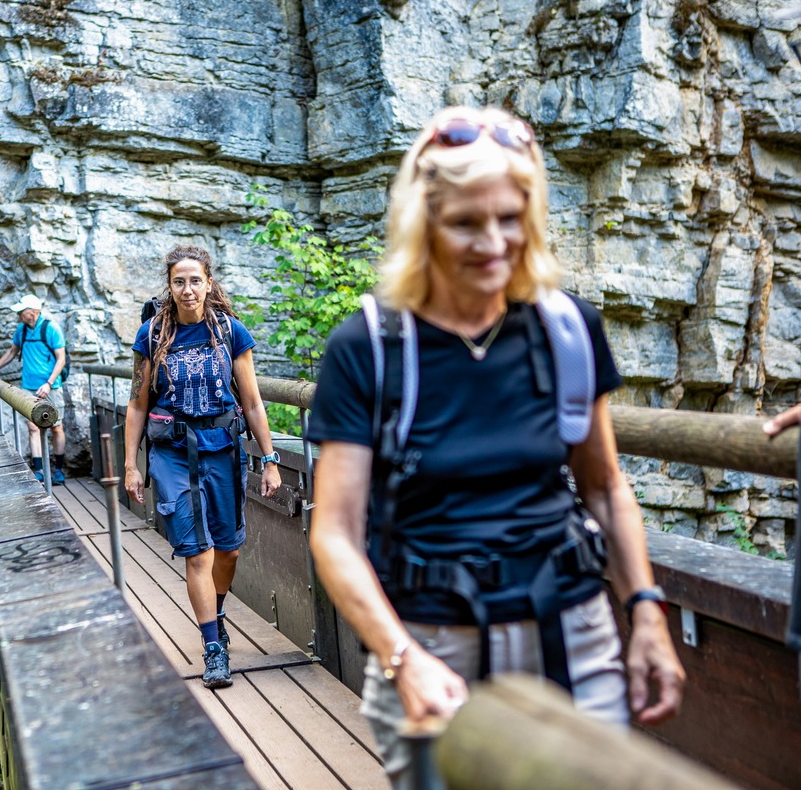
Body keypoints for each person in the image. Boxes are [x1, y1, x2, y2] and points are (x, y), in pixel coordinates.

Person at [305, 107, 685, 787]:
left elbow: (602, 487)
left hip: (573, 630)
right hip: (429, 642)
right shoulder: (370, 349)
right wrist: (401, 660)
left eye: (510, 218)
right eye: (465, 224)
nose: (493, 242)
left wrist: (647, 611)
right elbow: (334, 532)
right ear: (424, 225)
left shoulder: (565, 331)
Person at [124, 244, 282, 689]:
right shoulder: (152, 336)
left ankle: (216, 608)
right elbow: (136, 406)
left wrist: (269, 460)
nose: (188, 288)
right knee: (198, 551)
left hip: (223, 447)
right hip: (173, 452)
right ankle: (213, 647)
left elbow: (251, 400)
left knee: (228, 550)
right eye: (179, 281)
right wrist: (131, 465)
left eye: (195, 280)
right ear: (169, 287)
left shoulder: (230, 331)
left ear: (208, 283)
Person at [0, 293, 68, 485]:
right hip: (29, 386)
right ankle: (40, 471)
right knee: (33, 426)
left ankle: (59, 470)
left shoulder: (51, 328)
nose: (18, 315)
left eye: (22, 311)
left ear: (33, 312)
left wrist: (49, 383)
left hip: (51, 386)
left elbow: (61, 358)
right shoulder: (22, 330)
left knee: (56, 427)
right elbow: (12, 352)